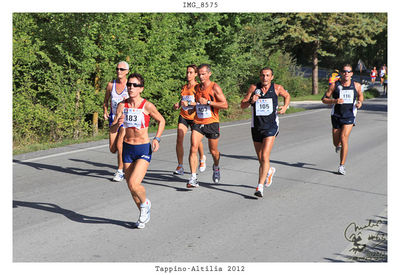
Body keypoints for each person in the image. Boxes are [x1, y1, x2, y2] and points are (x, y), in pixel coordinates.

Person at [110, 73, 165, 229]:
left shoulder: (147, 106)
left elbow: (161, 121)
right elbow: (113, 128)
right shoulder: (122, 105)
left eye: (135, 85)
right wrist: (117, 123)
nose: (131, 88)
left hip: (142, 148)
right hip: (127, 148)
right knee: (130, 187)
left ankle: (145, 203)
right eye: (129, 85)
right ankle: (143, 213)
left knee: (135, 184)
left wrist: (157, 138)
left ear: (141, 88)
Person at [240, 67, 290, 198]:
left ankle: (260, 186)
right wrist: (252, 100)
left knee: (264, 156)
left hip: (271, 126)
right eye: (262, 75)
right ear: (259, 76)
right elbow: (242, 105)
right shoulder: (253, 88)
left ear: (272, 77)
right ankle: (269, 171)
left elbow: (287, 95)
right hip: (256, 126)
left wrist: (285, 106)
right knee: (261, 158)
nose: (265, 78)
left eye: (268, 75)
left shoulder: (277, 88)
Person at [186, 64, 228, 188]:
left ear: (209, 74)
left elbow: (225, 104)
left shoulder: (215, 87)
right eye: (199, 74)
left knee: (213, 151)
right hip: (198, 122)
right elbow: (197, 103)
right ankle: (193, 177)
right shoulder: (197, 88)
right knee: (193, 147)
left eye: (203, 74)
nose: (201, 76)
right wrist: (189, 105)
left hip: (212, 122)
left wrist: (209, 102)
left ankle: (216, 167)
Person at [322, 64, 363, 175]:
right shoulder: (334, 85)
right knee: (336, 142)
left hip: (349, 115)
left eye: (349, 71)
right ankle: (338, 145)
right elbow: (324, 99)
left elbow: (360, 96)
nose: (346, 73)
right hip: (336, 115)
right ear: (341, 73)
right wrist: (334, 101)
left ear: (352, 74)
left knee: (344, 138)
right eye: (344, 71)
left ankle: (341, 165)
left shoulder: (356, 85)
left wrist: (360, 102)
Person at [173, 65, 206, 175]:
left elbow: (201, 102)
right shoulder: (184, 87)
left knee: (196, 141)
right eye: (187, 72)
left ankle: (202, 158)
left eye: (191, 72)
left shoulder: (198, 87)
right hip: (184, 115)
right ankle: (180, 165)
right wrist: (178, 104)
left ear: (196, 74)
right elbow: (182, 99)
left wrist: (190, 104)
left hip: (195, 116)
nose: (188, 75)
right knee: (179, 139)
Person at [103, 61, 129, 182]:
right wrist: (105, 111)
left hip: (125, 119)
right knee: (112, 148)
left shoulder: (131, 85)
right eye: (117, 69)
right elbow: (106, 100)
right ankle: (128, 159)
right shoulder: (110, 85)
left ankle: (120, 171)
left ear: (127, 71)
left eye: (122, 69)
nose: (119, 71)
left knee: (120, 145)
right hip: (113, 118)